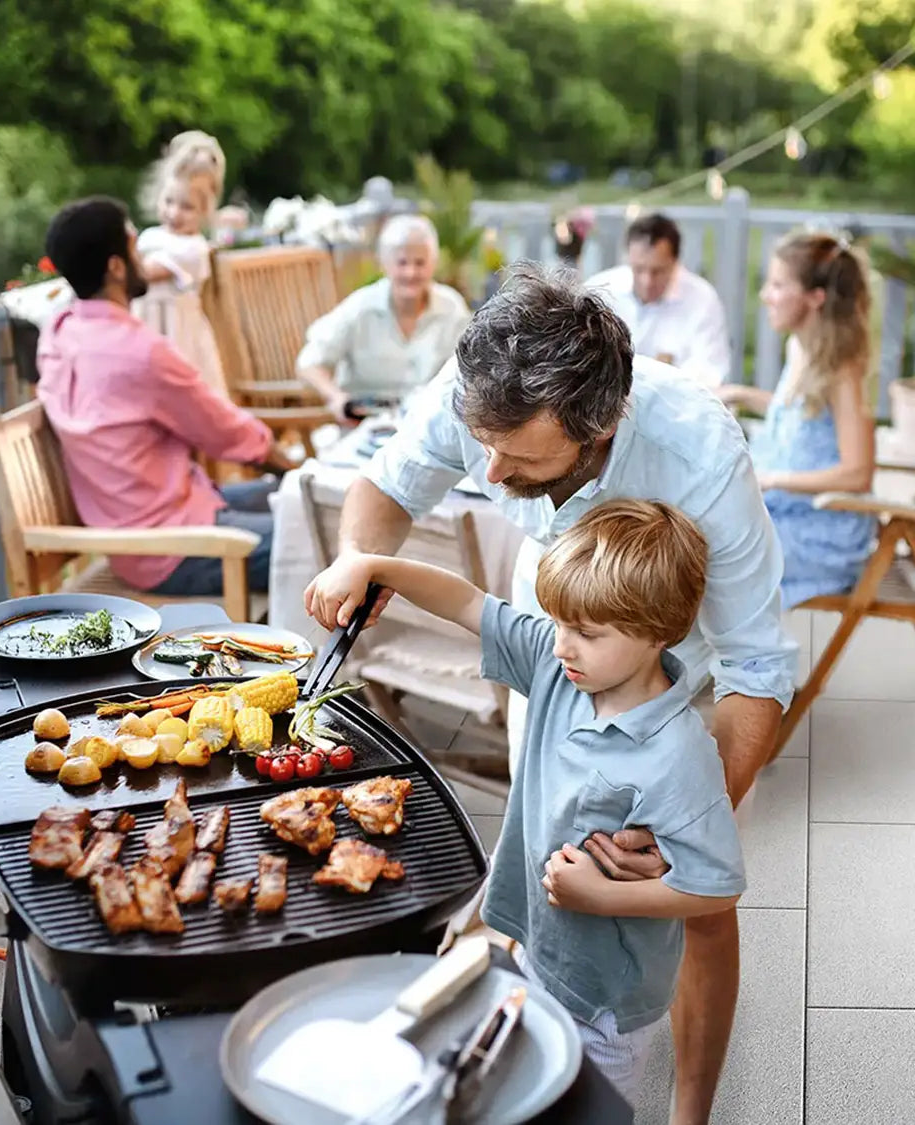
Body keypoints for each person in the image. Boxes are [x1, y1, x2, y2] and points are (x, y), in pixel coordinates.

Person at [305, 264, 797, 1125]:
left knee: (698, 914)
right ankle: (536, 1024)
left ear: (597, 427)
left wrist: (681, 823)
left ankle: (691, 1109)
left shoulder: (699, 454)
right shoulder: (481, 389)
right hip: (558, 637)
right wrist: (359, 557)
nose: (488, 474)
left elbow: (759, 671)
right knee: (544, 851)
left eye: (518, 455)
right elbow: (383, 489)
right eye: (479, 443)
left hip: (675, 673)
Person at [306, 500, 745, 1104]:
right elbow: (466, 602)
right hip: (535, 944)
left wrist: (604, 895)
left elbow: (717, 887)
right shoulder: (558, 665)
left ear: (660, 633)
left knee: (586, 1107)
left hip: (607, 1000)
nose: (563, 645)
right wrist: (375, 565)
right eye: (559, 623)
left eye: (587, 634)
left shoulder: (678, 756)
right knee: (524, 1090)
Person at [37, 197, 294, 597]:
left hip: (163, 521)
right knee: (325, 533)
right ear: (116, 266)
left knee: (297, 501)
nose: (143, 258)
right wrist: (293, 468)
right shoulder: (139, 351)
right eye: (135, 247)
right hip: (174, 548)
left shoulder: (59, 332)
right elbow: (226, 432)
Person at [717, 232, 877, 606]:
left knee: (705, 553)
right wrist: (741, 393)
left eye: (777, 285)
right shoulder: (802, 347)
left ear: (815, 298)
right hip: (791, 511)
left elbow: (858, 474)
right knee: (694, 526)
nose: (765, 295)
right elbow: (802, 413)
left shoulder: (842, 371)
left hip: (823, 533)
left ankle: (740, 658)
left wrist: (771, 480)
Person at [294, 213, 470, 424]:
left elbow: (472, 368)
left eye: (420, 263)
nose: (410, 272)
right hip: (366, 424)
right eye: (402, 262)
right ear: (384, 264)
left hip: (430, 425)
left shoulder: (452, 307)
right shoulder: (360, 306)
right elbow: (308, 363)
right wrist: (337, 398)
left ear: (433, 263)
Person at [588, 212, 734, 386]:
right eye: (639, 269)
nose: (647, 281)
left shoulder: (701, 300)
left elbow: (710, 373)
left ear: (675, 262)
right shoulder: (600, 290)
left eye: (657, 271)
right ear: (628, 258)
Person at [134, 132, 229, 399]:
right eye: (169, 202)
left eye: (186, 207)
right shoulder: (150, 237)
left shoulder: (193, 249)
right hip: (146, 328)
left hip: (178, 335)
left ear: (204, 211)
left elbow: (145, 273)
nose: (174, 213)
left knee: (186, 396)